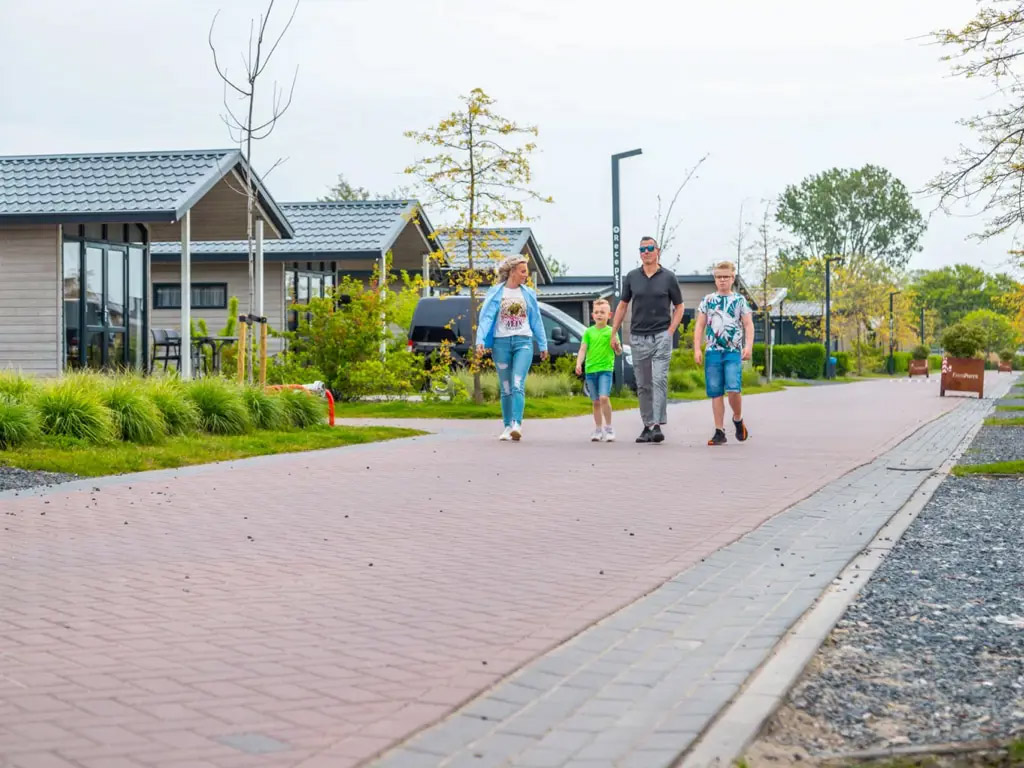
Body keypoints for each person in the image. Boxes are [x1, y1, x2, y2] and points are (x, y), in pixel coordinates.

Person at [610, 236, 684, 443]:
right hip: (638, 336)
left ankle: (657, 425)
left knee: (659, 379)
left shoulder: (669, 277)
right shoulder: (632, 277)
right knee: (643, 384)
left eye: (650, 248)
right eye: (642, 249)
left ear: (657, 251)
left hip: (661, 335)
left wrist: (670, 331)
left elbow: (679, 307)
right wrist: (613, 333)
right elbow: (622, 306)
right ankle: (648, 425)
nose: (646, 252)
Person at [475, 254, 549, 441]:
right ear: (512, 272)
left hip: (523, 342)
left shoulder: (528, 293)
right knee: (506, 387)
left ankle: (517, 424)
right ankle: (507, 426)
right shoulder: (496, 292)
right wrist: (480, 340)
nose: (526, 275)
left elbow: (536, 320)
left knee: (517, 384)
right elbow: (486, 318)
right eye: (523, 271)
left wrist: (543, 344)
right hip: (501, 344)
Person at [693, 260, 754, 445]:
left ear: (732, 278)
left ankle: (738, 418)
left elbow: (748, 324)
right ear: (715, 279)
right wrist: (697, 348)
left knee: (733, 388)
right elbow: (700, 325)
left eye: (726, 277)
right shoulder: (708, 300)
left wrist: (748, 346)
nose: (722, 280)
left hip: (732, 351)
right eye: (719, 277)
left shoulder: (739, 300)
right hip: (713, 351)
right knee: (716, 391)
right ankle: (719, 430)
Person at [575, 298, 620, 442]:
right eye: (596, 312)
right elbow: (583, 349)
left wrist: (617, 347)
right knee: (595, 402)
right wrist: (579, 363)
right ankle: (598, 429)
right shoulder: (588, 332)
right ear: (592, 315)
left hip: (605, 370)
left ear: (609, 315)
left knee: (604, 398)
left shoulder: (612, 332)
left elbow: (618, 351)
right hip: (590, 371)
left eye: (602, 312)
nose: (599, 315)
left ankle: (609, 428)